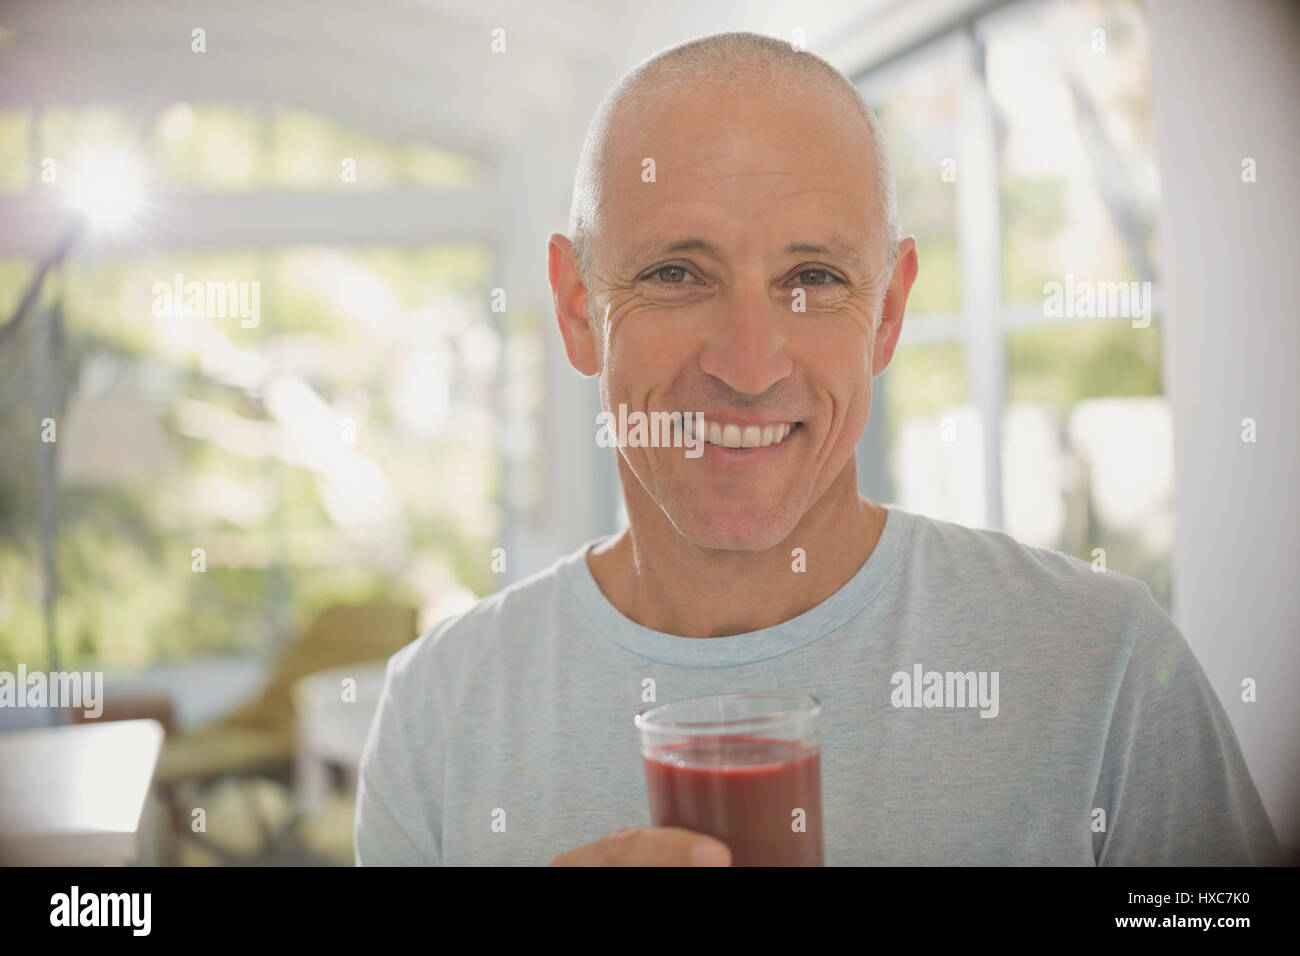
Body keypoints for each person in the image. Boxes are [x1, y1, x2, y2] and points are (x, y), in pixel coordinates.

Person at [354, 31, 1283, 866]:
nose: (750, 367)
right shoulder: (437, 712)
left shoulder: (1104, 665)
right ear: (577, 308)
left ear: (887, 314)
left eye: (815, 277)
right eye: (677, 274)